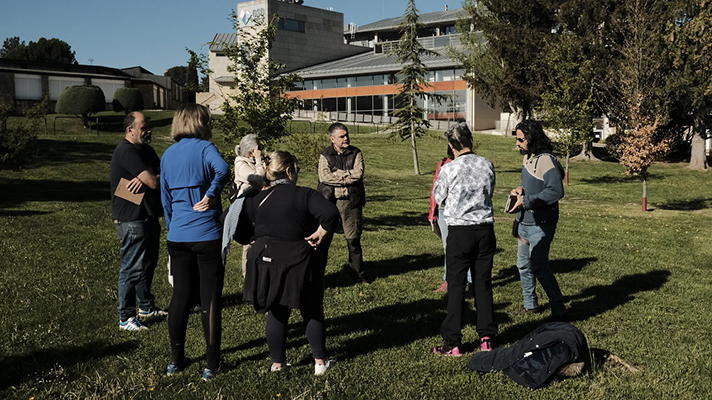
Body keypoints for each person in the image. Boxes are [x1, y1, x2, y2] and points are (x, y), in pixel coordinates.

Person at [236, 151, 339, 375]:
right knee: (311, 309)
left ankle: (277, 364)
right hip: (299, 262)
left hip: (266, 262)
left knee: (277, 311)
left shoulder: (255, 196)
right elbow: (331, 213)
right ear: (290, 170)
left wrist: (251, 239)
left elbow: (230, 221)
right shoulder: (305, 195)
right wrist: (321, 232)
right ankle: (320, 362)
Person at [160, 104, 231, 381]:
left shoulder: (168, 154)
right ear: (200, 122)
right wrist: (212, 193)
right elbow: (223, 170)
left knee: (180, 297)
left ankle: (176, 360)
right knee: (209, 300)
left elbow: (165, 199)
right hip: (205, 235)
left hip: (177, 235)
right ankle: (212, 364)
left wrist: (172, 226)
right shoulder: (205, 148)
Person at [432, 123, 498, 356]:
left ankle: (453, 341)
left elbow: (439, 197)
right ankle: (487, 337)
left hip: (460, 231)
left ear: (451, 145)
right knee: (483, 284)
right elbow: (489, 191)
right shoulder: (487, 164)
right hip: (485, 230)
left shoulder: (449, 169)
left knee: (457, 286)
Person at [110, 111, 167, 331]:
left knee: (148, 263)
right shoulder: (126, 151)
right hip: (131, 217)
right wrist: (150, 180)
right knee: (132, 267)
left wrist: (148, 180)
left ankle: (146, 306)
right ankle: (126, 317)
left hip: (148, 214)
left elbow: (163, 176)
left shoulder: (147, 151)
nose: (149, 130)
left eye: (148, 126)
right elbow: (155, 182)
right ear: (130, 129)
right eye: (144, 127)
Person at [508, 119, 567, 320]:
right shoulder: (529, 157)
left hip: (541, 225)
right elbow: (532, 183)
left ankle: (559, 309)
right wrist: (521, 190)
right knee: (523, 265)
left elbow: (556, 191)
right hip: (524, 222)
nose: (517, 143)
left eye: (520, 139)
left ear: (532, 139)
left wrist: (527, 201)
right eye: (516, 139)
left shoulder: (546, 160)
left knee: (539, 267)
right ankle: (530, 305)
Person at [317, 122, 368, 284]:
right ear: (333, 139)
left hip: (350, 202)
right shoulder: (325, 154)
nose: (346, 138)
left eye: (347, 135)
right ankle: (318, 276)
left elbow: (358, 174)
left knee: (353, 239)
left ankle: (358, 274)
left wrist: (337, 174)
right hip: (329, 202)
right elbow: (324, 177)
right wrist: (348, 176)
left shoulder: (356, 153)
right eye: (342, 136)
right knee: (323, 240)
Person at [429, 145, 472, 293]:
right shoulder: (443, 163)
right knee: (449, 249)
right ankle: (448, 281)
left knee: (467, 248)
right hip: (443, 211)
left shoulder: (469, 163)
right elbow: (435, 189)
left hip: (462, 212)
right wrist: (432, 213)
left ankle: (471, 282)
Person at [233, 134, 266, 278]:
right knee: (249, 242)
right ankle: (248, 276)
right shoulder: (241, 164)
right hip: (247, 208)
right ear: (251, 150)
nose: (261, 150)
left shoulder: (251, 161)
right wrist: (259, 161)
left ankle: (258, 272)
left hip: (258, 205)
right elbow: (258, 180)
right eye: (259, 147)